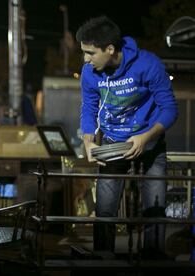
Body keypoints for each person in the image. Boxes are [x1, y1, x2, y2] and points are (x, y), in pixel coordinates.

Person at [76, 16, 178, 254]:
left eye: (90, 53)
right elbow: (88, 109)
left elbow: (170, 108)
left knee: (154, 208)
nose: (85, 59)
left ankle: (153, 261)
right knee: (105, 210)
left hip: (150, 143)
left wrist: (146, 137)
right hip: (112, 143)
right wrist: (88, 142)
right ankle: (103, 260)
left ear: (110, 49)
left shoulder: (148, 64)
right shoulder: (89, 73)